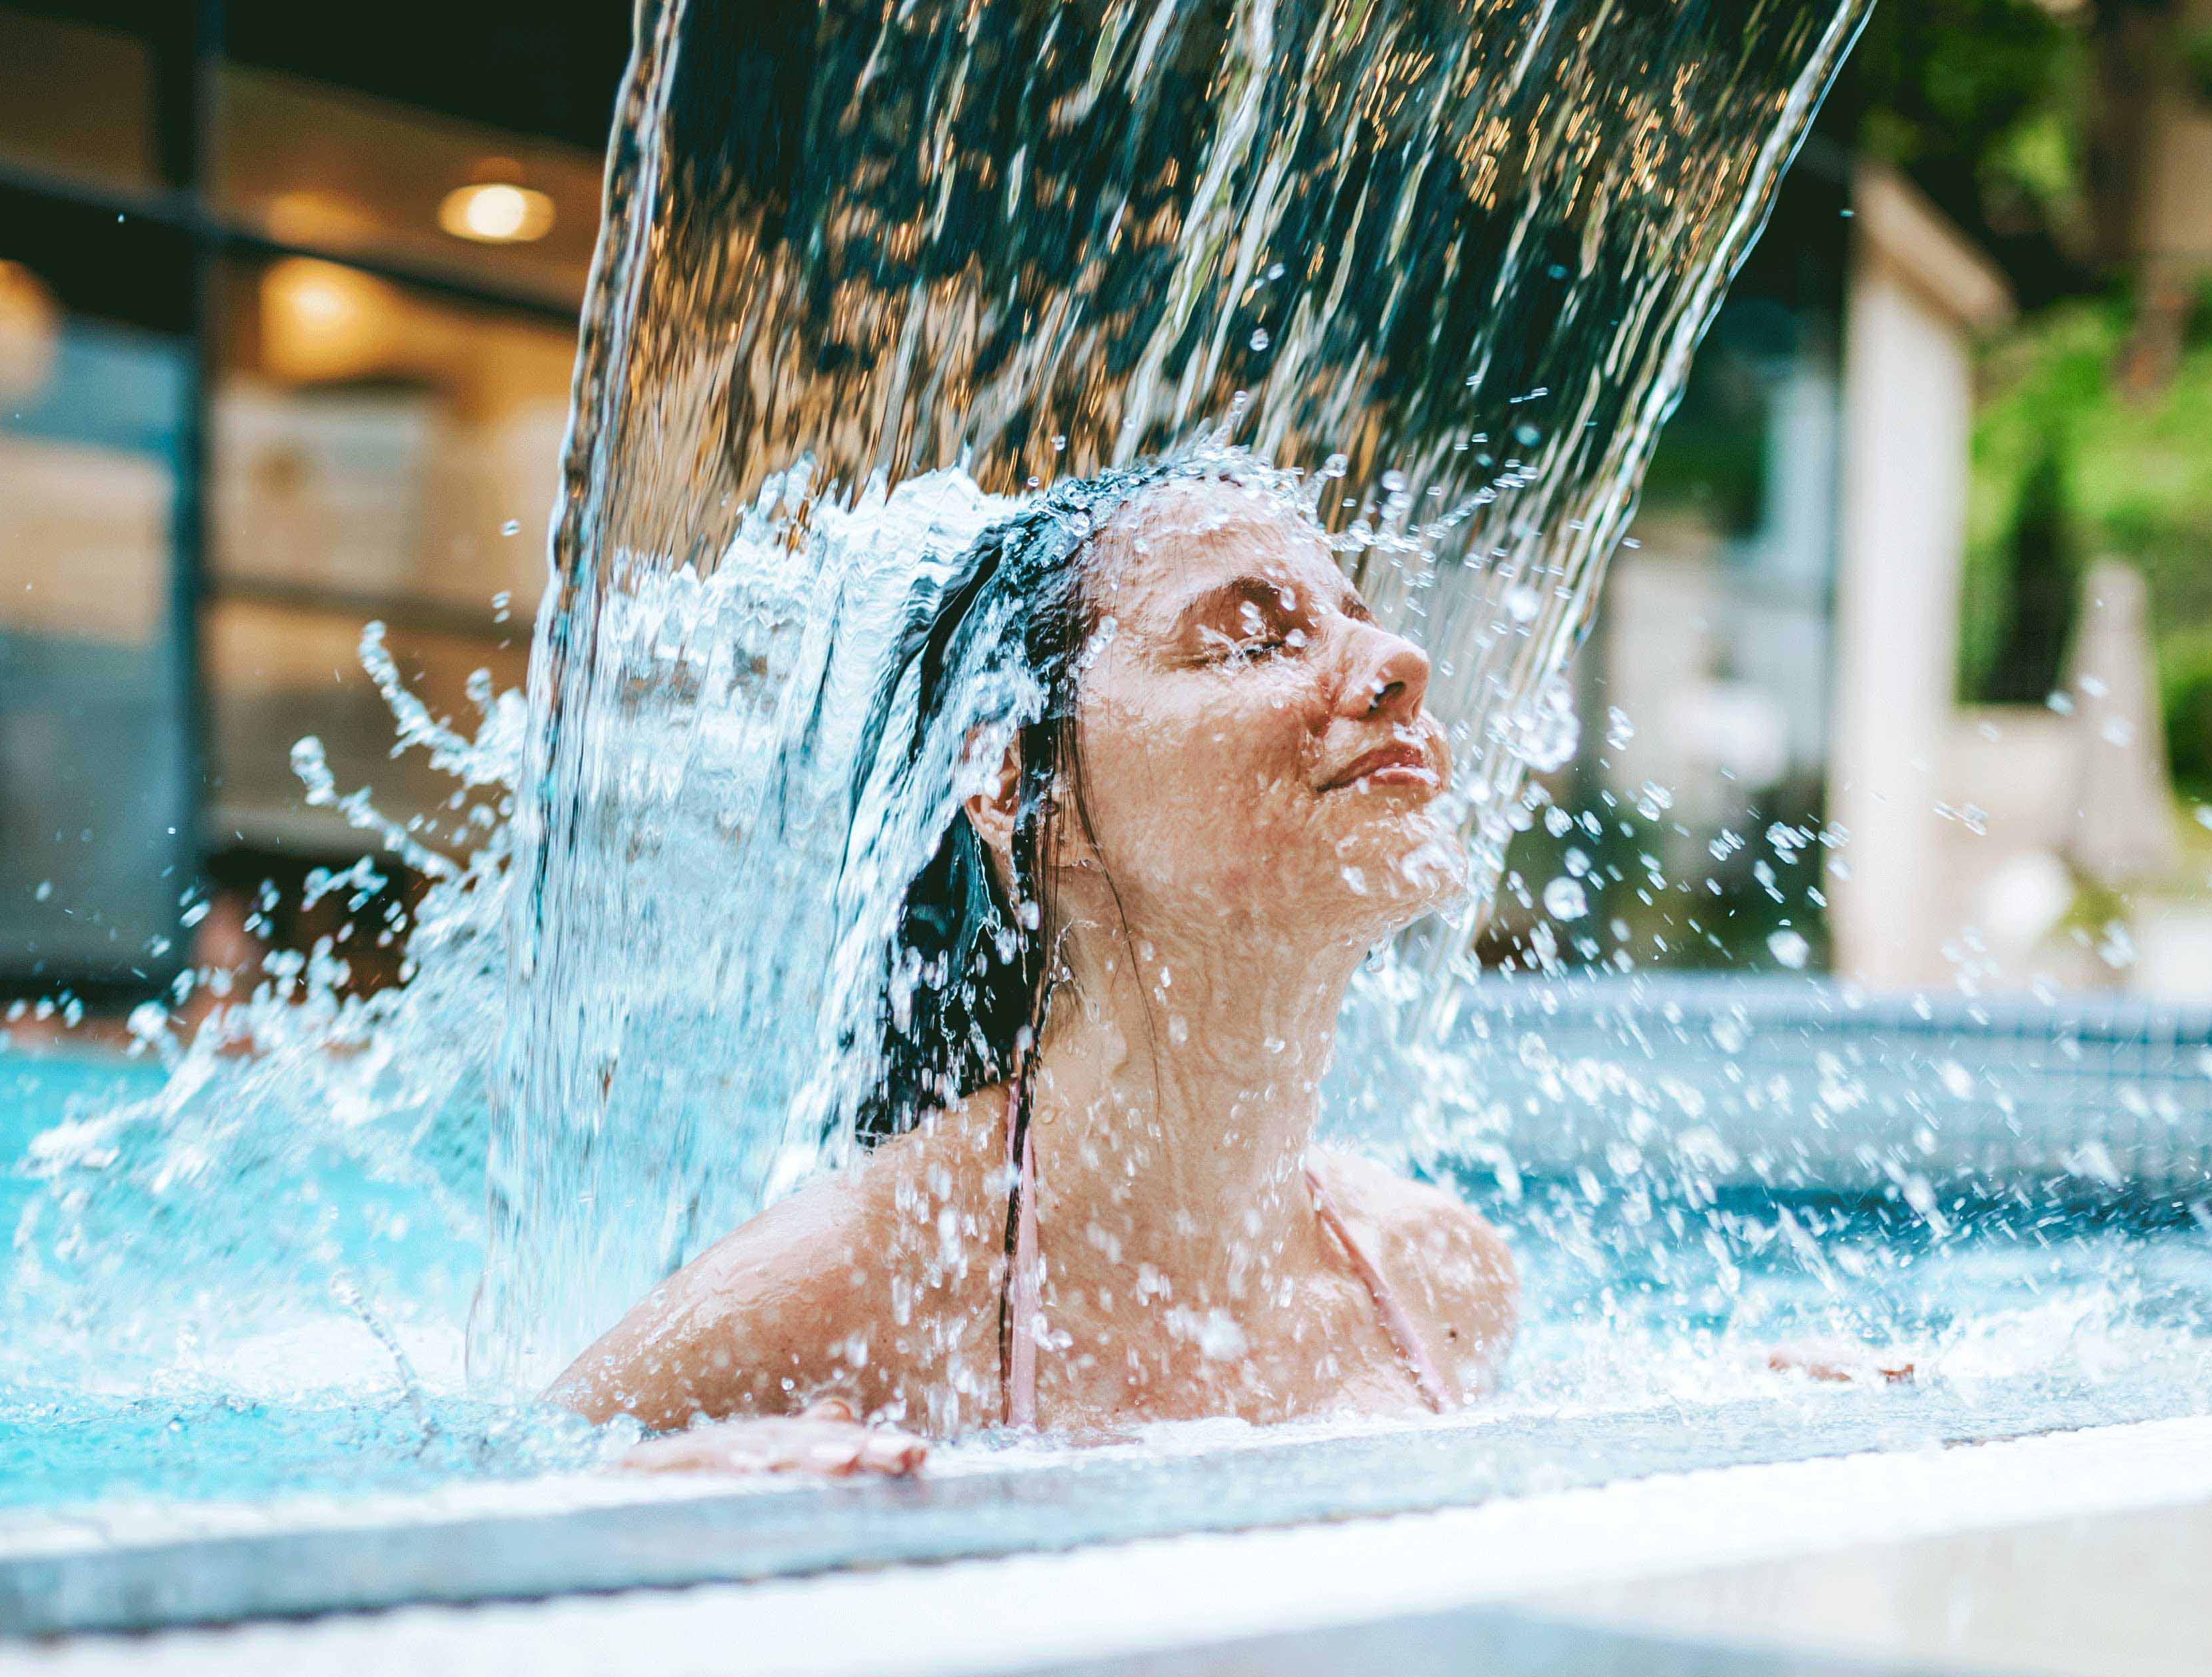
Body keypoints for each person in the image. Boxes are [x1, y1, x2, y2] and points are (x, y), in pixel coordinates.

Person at [546, 458, 1520, 1474]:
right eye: (1251, 639)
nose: (1399, 659)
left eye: (1358, 619)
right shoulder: (853, 1287)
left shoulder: (1445, 1276)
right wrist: (648, 1482)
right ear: (1015, 789)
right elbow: (479, 1512)